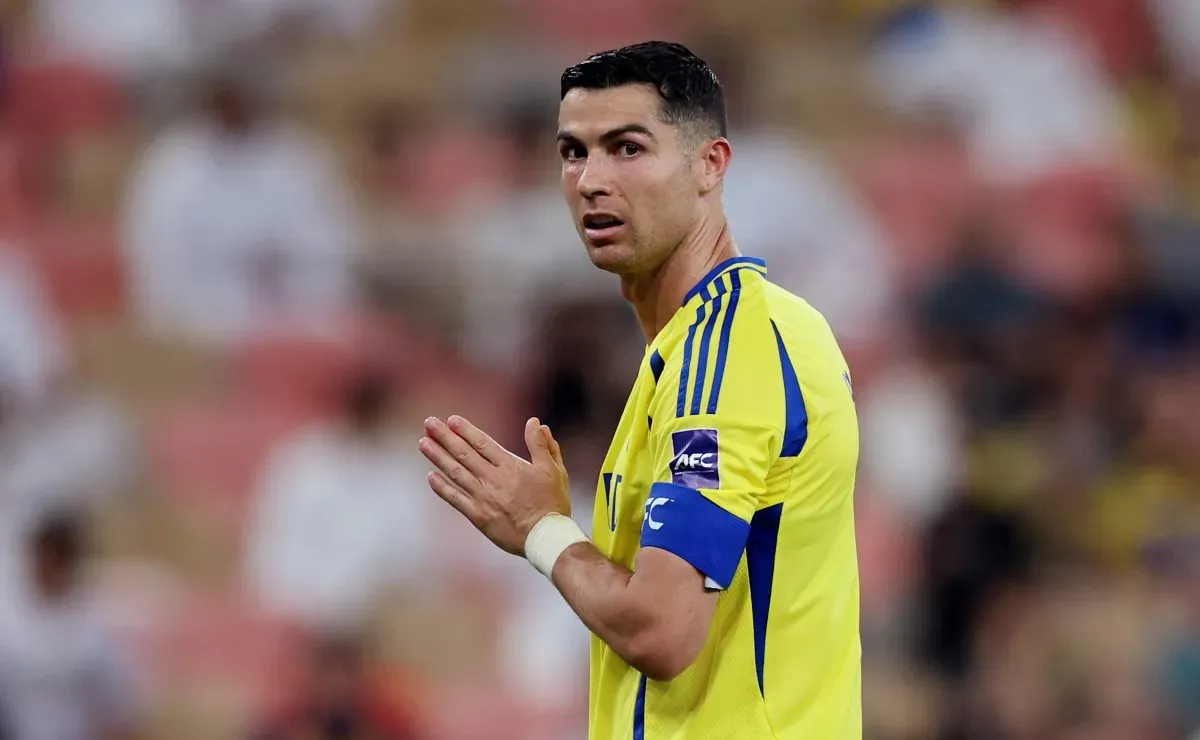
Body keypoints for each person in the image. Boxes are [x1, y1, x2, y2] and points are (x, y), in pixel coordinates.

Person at [417, 41, 861, 739]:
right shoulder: (729, 337)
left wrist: (541, 530)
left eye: (627, 149)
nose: (592, 180)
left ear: (710, 165)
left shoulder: (724, 353)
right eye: (574, 152)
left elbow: (662, 629)